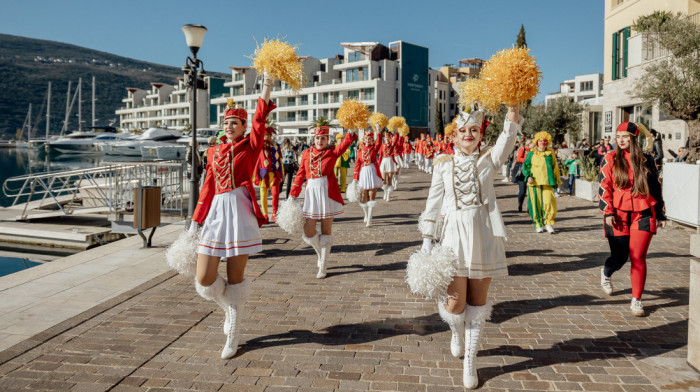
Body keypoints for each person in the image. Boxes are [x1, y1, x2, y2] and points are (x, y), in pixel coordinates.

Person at [419, 105, 522, 389]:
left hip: (484, 235)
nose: (468, 134)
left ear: (480, 134)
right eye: (462, 131)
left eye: (473, 130)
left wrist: (512, 110)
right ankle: (456, 331)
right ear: (454, 136)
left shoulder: (490, 158)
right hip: (452, 236)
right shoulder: (442, 164)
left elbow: (507, 138)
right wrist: (428, 239)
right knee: (454, 305)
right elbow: (433, 201)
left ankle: (470, 362)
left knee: (477, 305)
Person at [190, 75, 275, 360]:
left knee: (235, 278)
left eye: (234, 123)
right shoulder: (213, 151)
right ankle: (226, 308)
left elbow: (260, 120)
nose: (229, 127)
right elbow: (207, 187)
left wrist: (267, 85)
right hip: (215, 212)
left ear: (243, 127)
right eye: (226, 123)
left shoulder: (250, 146)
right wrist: (194, 222)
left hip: (239, 210)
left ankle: (234, 332)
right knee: (203, 278)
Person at [598, 122, 666, 317]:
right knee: (619, 257)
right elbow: (604, 186)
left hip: (643, 211)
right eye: (618, 136)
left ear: (634, 139)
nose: (621, 140)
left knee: (638, 257)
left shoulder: (647, 159)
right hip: (617, 213)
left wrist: (660, 214)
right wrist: (608, 211)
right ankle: (607, 273)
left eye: (626, 136)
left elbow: (655, 186)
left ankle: (637, 299)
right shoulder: (609, 158)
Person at [289, 125, 357, 279]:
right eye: (318, 138)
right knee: (308, 231)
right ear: (314, 139)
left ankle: (324, 265)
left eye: (323, 138)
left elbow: (344, 145)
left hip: (327, 194)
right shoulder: (306, 153)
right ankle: (320, 252)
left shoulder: (332, 152)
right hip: (311, 194)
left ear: (328, 139)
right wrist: (292, 194)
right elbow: (300, 175)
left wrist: (351, 132)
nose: (320, 141)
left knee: (326, 231)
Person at [522, 131, 561, 233]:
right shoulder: (531, 153)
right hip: (534, 182)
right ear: (537, 142)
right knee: (535, 203)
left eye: (544, 141)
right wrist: (528, 176)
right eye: (540, 140)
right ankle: (538, 224)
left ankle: (548, 223)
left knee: (549, 202)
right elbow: (525, 166)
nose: (542, 142)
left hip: (548, 182)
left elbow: (555, 167)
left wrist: (557, 179)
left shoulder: (550, 153)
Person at [352, 130, 384, 226]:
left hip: (373, 172)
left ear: (372, 140)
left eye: (370, 138)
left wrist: (378, 131)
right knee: (363, 198)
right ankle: (366, 214)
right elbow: (357, 165)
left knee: (371, 197)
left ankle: (369, 219)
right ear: (363, 139)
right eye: (366, 138)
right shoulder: (359, 151)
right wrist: (355, 178)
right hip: (363, 174)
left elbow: (379, 142)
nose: (368, 140)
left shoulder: (374, 148)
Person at [253, 128, 284, 222]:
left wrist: (281, 173)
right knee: (263, 196)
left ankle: (274, 213)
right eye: (265, 134)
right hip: (263, 173)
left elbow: (280, 160)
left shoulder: (276, 146)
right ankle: (265, 215)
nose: (266, 136)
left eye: (268, 135)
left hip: (274, 174)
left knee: (275, 194)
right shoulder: (259, 146)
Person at [510, 139, 530, 212]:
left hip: (531, 173)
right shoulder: (523, 149)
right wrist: (528, 159)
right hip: (522, 173)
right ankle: (520, 204)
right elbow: (518, 159)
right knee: (522, 191)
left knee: (530, 192)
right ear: (529, 144)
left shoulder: (534, 151)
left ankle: (529, 207)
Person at [379, 131, 399, 201]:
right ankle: (385, 192)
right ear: (384, 138)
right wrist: (378, 165)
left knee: (390, 179)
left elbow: (396, 139)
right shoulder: (382, 145)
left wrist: (396, 131)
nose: (386, 139)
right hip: (384, 161)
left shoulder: (392, 144)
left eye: (388, 138)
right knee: (384, 180)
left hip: (390, 161)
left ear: (390, 138)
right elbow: (380, 156)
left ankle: (388, 194)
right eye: (385, 138)